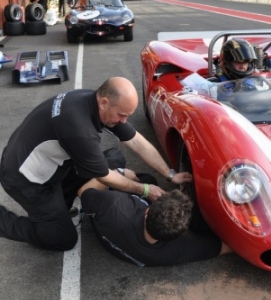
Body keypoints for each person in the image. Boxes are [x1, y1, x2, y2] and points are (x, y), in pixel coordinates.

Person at [0, 77, 193, 251]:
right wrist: (144, 190)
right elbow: (104, 175)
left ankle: (59, 208)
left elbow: (136, 141)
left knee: (113, 157)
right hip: (27, 179)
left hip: (52, 165)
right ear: (104, 103)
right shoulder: (78, 127)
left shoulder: (92, 100)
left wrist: (170, 174)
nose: (124, 121)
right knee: (62, 238)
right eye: (121, 115)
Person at [77, 179, 232, 267]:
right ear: (179, 233)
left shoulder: (115, 205)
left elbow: (83, 191)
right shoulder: (176, 251)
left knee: (116, 160)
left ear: (147, 211)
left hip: (109, 223)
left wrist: (120, 173)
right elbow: (226, 247)